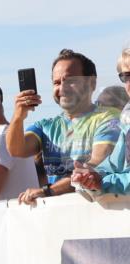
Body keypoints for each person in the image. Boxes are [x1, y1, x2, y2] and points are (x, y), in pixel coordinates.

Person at [7, 49, 120, 205]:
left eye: (70, 80)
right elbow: (16, 149)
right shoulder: (46, 126)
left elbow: (96, 166)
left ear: (92, 83)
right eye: (57, 82)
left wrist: (48, 191)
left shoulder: (109, 119)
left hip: (101, 213)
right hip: (60, 215)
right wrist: (18, 116)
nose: (62, 88)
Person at [73, 47, 130, 195]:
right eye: (125, 76)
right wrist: (91, 175)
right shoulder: (127, 122)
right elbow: (112, 165)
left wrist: (103, 182)